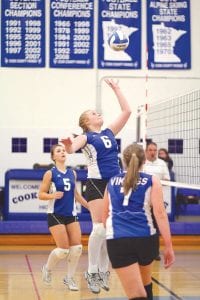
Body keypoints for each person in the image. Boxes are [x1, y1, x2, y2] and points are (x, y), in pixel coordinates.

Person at [61, 78, 131, 294]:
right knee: (99, 228)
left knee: (109, 230)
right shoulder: (86, 136)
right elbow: (73, 148)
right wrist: (66, 143)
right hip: (97, 184)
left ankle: (103, 270)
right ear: (85, 121)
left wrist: (117, 89)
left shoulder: (109, 132)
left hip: (115, 183)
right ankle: (92, 271)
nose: (97, 113)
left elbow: (127, 111)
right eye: (92, 113)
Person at [102, 143, 175, 300]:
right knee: (145, 284)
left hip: (119, 239)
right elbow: (160, 214)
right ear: (144, 161)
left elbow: (104, 217)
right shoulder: (152, 180)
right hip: (146, 239)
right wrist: (168, 246)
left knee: (137, 295)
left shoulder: (111, 182)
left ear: (124, 161)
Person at [38, 144, 89, 291]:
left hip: (71, 214)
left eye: (63, 150)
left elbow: (76, 195)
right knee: (63, 250)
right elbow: (40, 194)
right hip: (55, 214)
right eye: (58, 151)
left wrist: (90, 207)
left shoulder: (72, 173)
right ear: (53, 156)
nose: (62, 152)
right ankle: (47, 269)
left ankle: (69, 278)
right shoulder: (50, 173)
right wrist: (52, 195)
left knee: (77, 248)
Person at [143, 142, 170, 261]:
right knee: (144, 226)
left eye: (155, 150)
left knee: (156, 226)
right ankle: (143, 252)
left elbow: (167, 179)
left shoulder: (162, 164)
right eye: (150, 150)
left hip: (157, 200)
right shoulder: (142, 164)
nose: (153, 152)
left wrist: (157, 183)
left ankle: (155, 252)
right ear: (146, 151)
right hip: (143, 201)